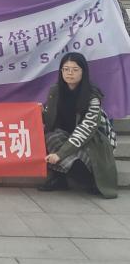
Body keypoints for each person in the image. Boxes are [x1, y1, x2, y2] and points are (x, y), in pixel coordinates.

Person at [39, 52, 117, 198]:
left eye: (75, 70)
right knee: (50, 137)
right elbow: (49, 121)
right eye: (66, 69)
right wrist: (39, 112)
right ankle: (61, 180)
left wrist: (60, 155)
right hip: (64, 137)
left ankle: (89, 181)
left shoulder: (93, 96)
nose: (70, 73)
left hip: (91, 141)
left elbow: (85, 130)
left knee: (68, 152)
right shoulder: (55, 91)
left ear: (83, 72)